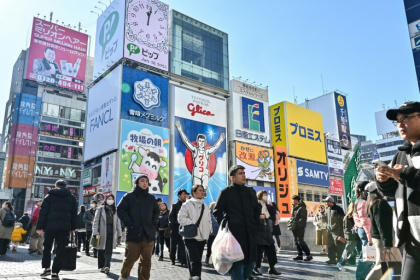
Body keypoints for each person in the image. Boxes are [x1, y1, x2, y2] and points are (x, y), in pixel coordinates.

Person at [376, 101, 420, 280]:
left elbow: (406, 177)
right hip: (410, 239)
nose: (400, 124)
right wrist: (384, 180)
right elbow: (392, 192)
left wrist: (404, 173)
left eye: (406, 118)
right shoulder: (400, 154)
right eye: (398, 121)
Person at [213, 165, 260, 280]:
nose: (244, 175)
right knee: (237, 264)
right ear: (232, 177)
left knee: (251, 264)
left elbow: (257, 209)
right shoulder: (226, 192)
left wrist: (255, 224)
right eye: (240, 173)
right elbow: (217, 212)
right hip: (235, 236)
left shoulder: (250, 191)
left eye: (244, 173)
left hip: (250, 234)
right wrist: (227, 226)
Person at [117, 174, 160, 280]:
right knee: (130, 259)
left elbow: (156, 211)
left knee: (146, 262)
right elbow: (120, 210)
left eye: (146, 181)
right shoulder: (129, 196)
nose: (145, 183)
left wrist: (153, 225)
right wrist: (129, 223)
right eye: (142, 181)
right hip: (134, 233)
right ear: (136, 183)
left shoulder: (151, 197)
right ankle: (123, 277)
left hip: (148, 234)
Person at [36, 180, 78, 280]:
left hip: (50, 227)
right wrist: (72, 228)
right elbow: (74, 215)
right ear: (66, 187)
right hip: (64, 228)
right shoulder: (71, 198)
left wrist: (39, 227)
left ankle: (47, 268)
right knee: (60, 249)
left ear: (55, 186)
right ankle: (55, 272)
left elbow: (43, 213)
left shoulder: (49, 196)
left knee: (47, 247)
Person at [365, 182, 402, 280]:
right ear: (378, 190)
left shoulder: (373, 202)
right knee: (383, 265)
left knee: (382, 264)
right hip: (383, 239)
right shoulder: (380, 203)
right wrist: (388, 243)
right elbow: (382, 224)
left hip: (378, 238)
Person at [175, 121, 225, 191]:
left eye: (202, 141)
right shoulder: (195, 149)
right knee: (197, 190)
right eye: (200, 141)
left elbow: (215, 147)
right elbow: (186, 141)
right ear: (197, 141)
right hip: (196, 173)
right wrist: (180, 130)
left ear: (205, 142)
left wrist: (220, 140)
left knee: (204, 188)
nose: (201, 143)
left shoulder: (207, 151)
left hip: (205, 173)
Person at [178, 185, 212, 280]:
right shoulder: (187, 204)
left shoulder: (205, 206)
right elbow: (181, 218)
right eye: (200, 190)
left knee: (195, 260)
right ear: (194, 192)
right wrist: (193, 224)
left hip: (202, 237)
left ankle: (193, 277)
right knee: (195, 260)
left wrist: (209, 229)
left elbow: (209, 220)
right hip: (190, 237)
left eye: (203, 190)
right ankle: (196, 277)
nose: (202, 192)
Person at [93, 194, 122, 274]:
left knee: (109, 250)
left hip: (111, 232)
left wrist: (119, 234)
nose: (110, 200)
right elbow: (96, 222)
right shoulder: (100, 209)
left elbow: (118, 223)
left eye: (111, 199)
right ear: (106, 200)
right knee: (101, 250)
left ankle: (107, 266)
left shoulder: (115, 210)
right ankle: (101, 266)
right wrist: (95, 232)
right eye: (109, 198)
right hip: (102, 231)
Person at [253, 190, 281, 276]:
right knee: (259, 250)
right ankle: (256, 268)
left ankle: (272, 267)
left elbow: (272, 216)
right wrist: (258, 216)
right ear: (260, 195)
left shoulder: (267, 205)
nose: (266, 196)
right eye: (264, 195)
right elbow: (252, 215)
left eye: (266, 195)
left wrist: (272, 207)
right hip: (259, 230)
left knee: (271, 249)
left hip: (267, 230)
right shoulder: (256, 204)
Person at [353, 181, 374, 279]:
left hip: (363, 230)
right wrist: (369, 236)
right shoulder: (363, 202)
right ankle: (361, 277)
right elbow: (365, 220)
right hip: (366, 230)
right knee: (366, 256)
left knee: (367, 255)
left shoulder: (358, 200)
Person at [337, 203, 361, 270]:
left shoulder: (348, 216)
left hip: (352, 236)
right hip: (352, 236)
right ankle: (341, 263)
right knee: (348, 250)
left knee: (355, 250)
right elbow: (347, 228)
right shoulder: (350, 217)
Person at [169, 188, 189, 266]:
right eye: (183, 194)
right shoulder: (174, 205)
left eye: (185, 194)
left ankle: (183, 261)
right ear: (179, 195)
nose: (185, 196)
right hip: (175, 228)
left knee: (182, 245)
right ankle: (172, 259)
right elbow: (171, 217)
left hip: (184, 228)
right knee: (173, 245)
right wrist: (173, 224)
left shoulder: (188, 205)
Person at [289, 195, 312, 261]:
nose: (293, 201)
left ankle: (308, 255)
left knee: (300, 241)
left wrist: (297, 224)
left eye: (294, 199)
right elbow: (293, 217)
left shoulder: (302, 208)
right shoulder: (294, 207)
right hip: (294, 227)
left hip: (300, 227)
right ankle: (300, 255)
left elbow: (303, 218)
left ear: (297, 200)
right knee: (296, 241)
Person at [323, 196, 345, 265]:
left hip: (337, 231)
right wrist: (326, 226)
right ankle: (331, 259)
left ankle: (339, 259)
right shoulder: (327, 210)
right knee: (330, 246)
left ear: (331, 202)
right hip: (329, 231)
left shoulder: (338, 209)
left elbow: (342, 221)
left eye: (327, 202)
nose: (326, 203)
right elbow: (325, 220)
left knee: (339, 246)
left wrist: (341, 232)